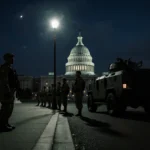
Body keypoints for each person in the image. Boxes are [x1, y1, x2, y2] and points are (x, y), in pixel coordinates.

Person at [0, 53, 19, 132]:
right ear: (6, 59)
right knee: (6, 109)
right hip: (6, 91)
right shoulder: (4, 67)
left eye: (13, 58)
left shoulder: (10, 67)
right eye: (11, 58)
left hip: (11, 90)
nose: (12, 59)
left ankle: (6, 123)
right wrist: (8, 91)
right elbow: (4, 80)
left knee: (9, 109)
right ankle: (2, 125)